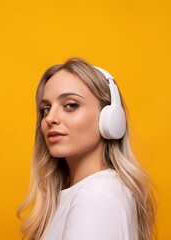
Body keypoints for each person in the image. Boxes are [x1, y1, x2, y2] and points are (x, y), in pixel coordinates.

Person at [17, 57, 157, 240]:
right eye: (46, 109)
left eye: (71, 105)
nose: (51, 118)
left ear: (109, 119)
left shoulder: (96, 196)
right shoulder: (92, 192)